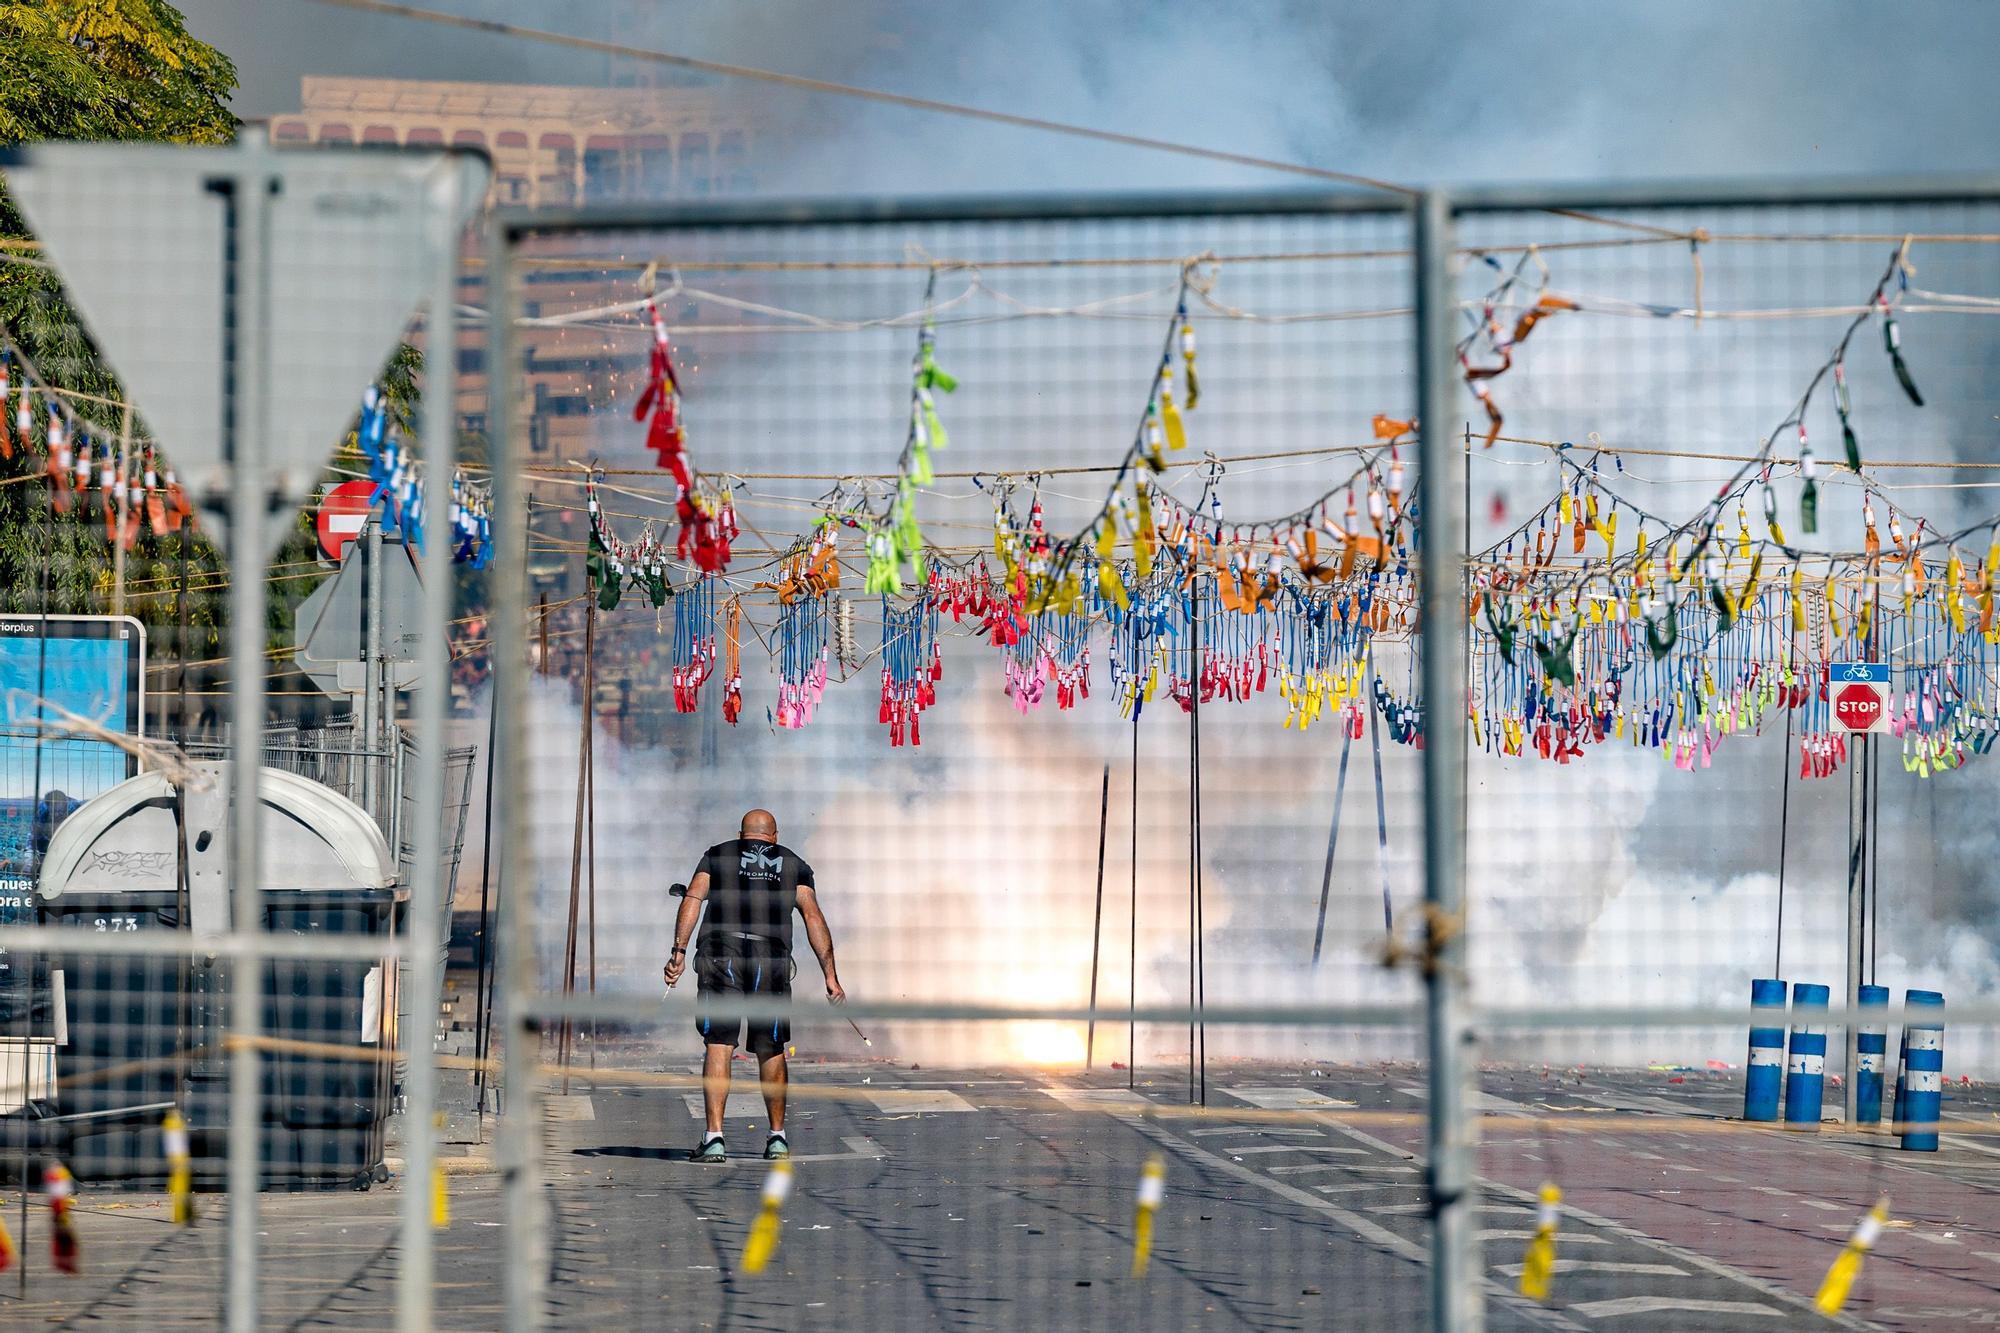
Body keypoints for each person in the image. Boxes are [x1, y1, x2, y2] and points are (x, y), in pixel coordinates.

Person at [664, 808, 843, 1162]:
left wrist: (678, 952)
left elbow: (693, 900)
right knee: (770, 1046)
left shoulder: (717, 855)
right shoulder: (793, 863)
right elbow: (813, 917)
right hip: (770, 959)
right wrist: (830, 976)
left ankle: (714, 1138)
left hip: (722, 954)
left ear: (741, 834)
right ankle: (777, 1139)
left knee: (719, 1043)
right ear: (773, 836)